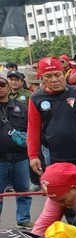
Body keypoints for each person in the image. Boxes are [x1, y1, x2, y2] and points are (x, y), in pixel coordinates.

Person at [0, 71, 32, 228]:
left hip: (20, 157)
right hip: (0, 159)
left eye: (2, 85)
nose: (0, 88)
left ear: (7, 87)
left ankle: (23, 218)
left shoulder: (21, 107)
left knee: (23, 191)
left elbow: (31, 129)